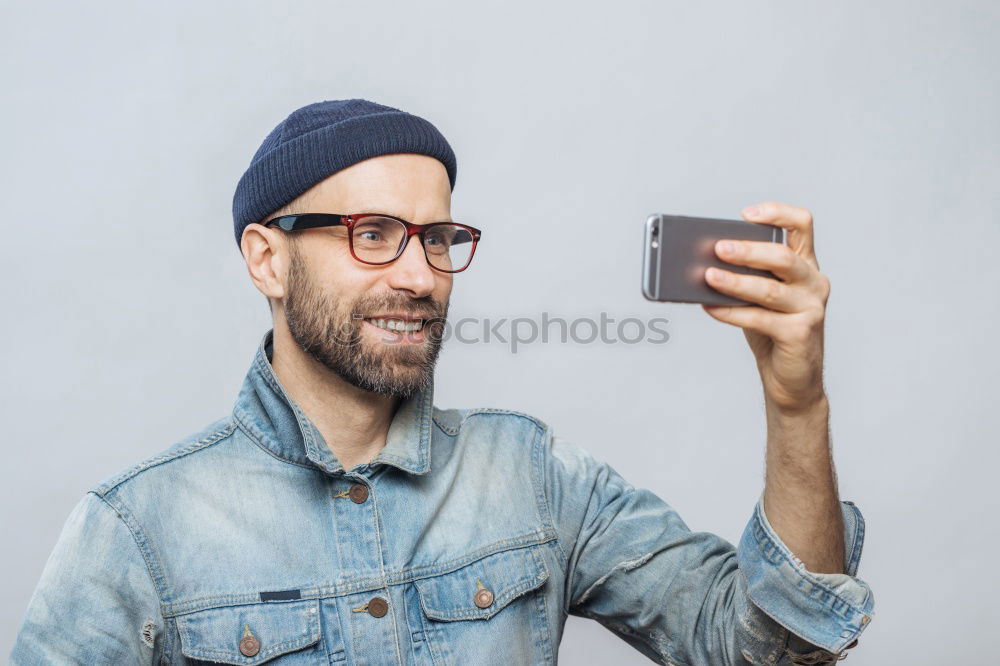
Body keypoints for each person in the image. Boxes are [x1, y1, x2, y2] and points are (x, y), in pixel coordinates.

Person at [10, 98, 874, 665]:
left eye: (437, 238)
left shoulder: (533, 475)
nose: (420, 276)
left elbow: (772, 649)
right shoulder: (136, 529)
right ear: (266, 259)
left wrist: (797, 404)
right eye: (374, 234)